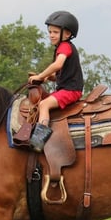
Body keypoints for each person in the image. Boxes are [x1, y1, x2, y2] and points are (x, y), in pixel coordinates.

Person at [27, 10, 84, 152]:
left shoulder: (65, 46)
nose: (51, 35)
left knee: (44, 105)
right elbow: (60, 73)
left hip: (70, 90)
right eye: (50, 32)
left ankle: (38, 140)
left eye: (55, 32)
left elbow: (57, 65)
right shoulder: (62, 47)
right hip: (67, 88)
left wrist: (40, 76)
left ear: (67, 34)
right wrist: (47, 78)